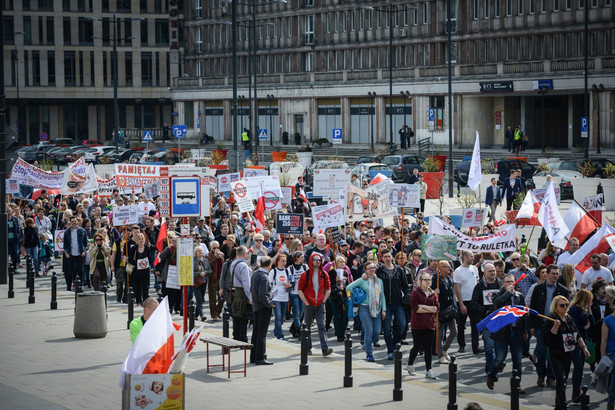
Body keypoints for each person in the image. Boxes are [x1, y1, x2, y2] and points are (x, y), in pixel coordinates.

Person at [543, 295, 590, 410]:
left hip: (568, 353)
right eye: (562, 305)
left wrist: (584, 348)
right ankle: (563, 406)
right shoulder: (552, 319)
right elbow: (548, 338)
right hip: (555, 353)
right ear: (555, 306)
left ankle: (558, 406)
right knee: (561, 379)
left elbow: (576, 333)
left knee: (562, 382)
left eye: (567, 304)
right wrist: (555, 327)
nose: (565, 307)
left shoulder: (569, 318)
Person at [529, 264, 570, 388]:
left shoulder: (563, 290)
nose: (555, 276)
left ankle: (551, 377)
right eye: (553, 273)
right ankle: (541, 375)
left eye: (557, 273)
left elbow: (566, 309)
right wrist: (532, 326)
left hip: (556, 324)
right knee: (541, 351)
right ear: (547, 274)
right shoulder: (538, 288)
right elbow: (533, 307)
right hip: (542, 324)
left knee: (553, 352)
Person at [486, 273, 528, 393]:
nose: (510, 284)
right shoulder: (497, 294)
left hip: (516, 332)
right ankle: (491, 375)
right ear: (503, 284)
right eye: (508, 282)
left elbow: (523, 314)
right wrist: (507, 293)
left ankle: (516, 385)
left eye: (512, 281)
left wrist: (524, 330)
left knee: (518, 360)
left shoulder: (519, 296)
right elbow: (496, 304)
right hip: (502, 332)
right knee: (500, 357)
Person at [346, 262, 386, 362]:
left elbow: (382, 296)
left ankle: (365, 345)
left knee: (377, 332)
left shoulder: (379, 281)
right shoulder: (362, 280)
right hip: (364, 308)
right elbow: (349, 287)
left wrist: (384, 309)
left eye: (373, 267)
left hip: (377, 308)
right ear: (365, 270)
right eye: (369, 268)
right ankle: (369, 354)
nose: (372, 269)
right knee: (369, 331)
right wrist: (359, 294)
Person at [297, 253, 333, 357]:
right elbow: (299, 290)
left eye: (319, 260)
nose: (318, 261)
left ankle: (324, 349)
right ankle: (308, 349)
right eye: (315, 259)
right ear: (311, 261)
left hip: (320, 304)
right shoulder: (305, 274)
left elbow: (328, 288)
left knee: (322, 326)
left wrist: (324, 300)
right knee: (307, 327)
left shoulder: (324, 274)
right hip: (309, 304)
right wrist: (306, 302)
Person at [376, 249, 409, 359]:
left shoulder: (399, 270)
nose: (387, 258)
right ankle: (390, 350)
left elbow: (405, 286)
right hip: (385, 304)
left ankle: (395, 344)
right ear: (382, 258)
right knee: (387, 329)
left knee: (402, 324)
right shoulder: (379, 271)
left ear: (392, 257)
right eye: (385, 257)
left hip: (398, 302)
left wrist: (406, 297)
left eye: (389, 256)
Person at [469, 262, 501, 374]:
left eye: (494, 271)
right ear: (484, 272)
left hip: (499, 320)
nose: (493, 273)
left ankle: (492, 366)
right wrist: (484, 311)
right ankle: (492, 371)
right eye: (490, 271)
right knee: (489, 347)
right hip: (486, 320)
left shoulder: (500, 284)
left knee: (498, 347)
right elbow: (473, 302)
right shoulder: (479, 286)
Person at [407, 272, 440, 379]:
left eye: (429, 280)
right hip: (418, 324)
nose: (427, 282)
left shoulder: (433, 293)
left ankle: (429, 369)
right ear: (420, 282)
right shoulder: (415, 293)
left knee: (428, 348)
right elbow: (416, 309)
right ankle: (410, 365)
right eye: (425, 280)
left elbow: (437, 308)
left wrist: (424, 306)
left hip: (429, 324)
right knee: (416, 346)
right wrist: (430, 308)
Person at [568, 289, 594, 402]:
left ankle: (577, 391)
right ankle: (575, 391)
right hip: (574, 341)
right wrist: (585, 327)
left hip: (582, 340)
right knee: (578, 366)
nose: (591, 302)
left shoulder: (585, 310)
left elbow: (592, 323)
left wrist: (590, 310)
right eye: (590, 300)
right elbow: (574, 326)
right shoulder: (574, 309)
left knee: (580, 367)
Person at [454, 250, 481, 354]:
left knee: (476, 325)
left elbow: (477, 283)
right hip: (463, 301)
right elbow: (457, 289)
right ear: (465, 257)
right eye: (471, 256)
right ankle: (461, 345)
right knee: (461, 325)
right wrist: (461, 304)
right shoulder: (458, 271)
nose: (473, 258)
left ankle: (475, 346)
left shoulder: (474, 268)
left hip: (474, 301)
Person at [250, 256, 274, 365]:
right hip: (263, 308)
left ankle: (253, 356)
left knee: (256, 332)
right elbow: (262, 295)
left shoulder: (256, 274)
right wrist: (270, 304)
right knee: (262, 333)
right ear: (269, 265)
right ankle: (260, 357)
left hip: (256, 307)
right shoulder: (264, 277)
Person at [433, 260, 457, 364]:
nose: (449, 268)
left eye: (449, 266)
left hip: (450, 308)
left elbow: (452, 293)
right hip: (440, 308)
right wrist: (434, 292)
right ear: (440, 267)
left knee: (454, 332)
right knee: (440, 333)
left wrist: (455, 307)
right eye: (446, 266)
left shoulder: (450, 279)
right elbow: (429, 290)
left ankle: (445, 349)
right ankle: (440, 356)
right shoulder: (436, 278)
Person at [327, 255, 352, 342]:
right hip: (334, 296)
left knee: (345, 314)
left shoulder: (345, 272)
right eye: (340, 262)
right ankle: (339, 334)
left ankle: (342, 331)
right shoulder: (332, 272)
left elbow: (348, 284)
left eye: (343, 262)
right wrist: (335, 280)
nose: (342, 263)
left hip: (344, 295)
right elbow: (328, 284)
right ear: (336, 263)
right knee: (336, 314)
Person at [230, 246, 253, 342]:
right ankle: (243, 339)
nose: (248, 254)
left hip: (236, 292)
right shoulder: (243, 265)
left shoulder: (233, 263)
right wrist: (250, 297)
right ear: (243, 254)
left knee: (237, 316)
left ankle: (236, 336)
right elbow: (246, 283)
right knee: (244, 317)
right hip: (243, 293)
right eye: (247, 252)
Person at [269, 253, 292, 340]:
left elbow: (291, 281)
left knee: (281, 318)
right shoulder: (273, 271)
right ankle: (280, 335)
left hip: (285, 297)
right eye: (282, 261)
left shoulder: (287, 271)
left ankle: (276, 331)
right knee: (278, 316)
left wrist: (289, 286)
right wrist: (270, 293)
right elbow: (269, 284)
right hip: (276, 298)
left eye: (285, 261)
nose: (284, 263)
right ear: (277, 261)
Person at [127, 233, 154, 305]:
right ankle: (138, 300)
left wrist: (149, 264)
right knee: (137, 286)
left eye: (142, 239)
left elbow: (150, 259)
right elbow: (130, 259)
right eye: (139, 239)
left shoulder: (147, 248)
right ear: (137, 240)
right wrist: (137, 263)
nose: (141, 240)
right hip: (136, 270)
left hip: (145, 270)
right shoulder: (134, 248)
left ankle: (145, 299)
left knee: (145, 286)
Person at [63, 216, 88, 291]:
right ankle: (68, 286)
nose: (74, 223)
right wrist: (66, 252)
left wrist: (84, 251)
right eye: (72, 221)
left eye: (75, 221)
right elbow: (65, 243)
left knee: (80, 270)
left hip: (80, 253)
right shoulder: (67, 232)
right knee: (70, 271)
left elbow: (85, 242)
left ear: (77, 221)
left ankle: (79, 286)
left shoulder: (82, 231)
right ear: (70, 222)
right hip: (71, 253)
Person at [600, 285, 615, 410]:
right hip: (612, 354)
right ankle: (611, 402)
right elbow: (604, 339)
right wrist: (602, 357)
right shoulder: (608, 320)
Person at [288, 251, 308, 338]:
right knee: (296, 313)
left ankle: (294, 328)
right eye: (301, 257)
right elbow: (289, 280)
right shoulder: (290, 268)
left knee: (301, 313)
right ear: (296, 258)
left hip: (303, 293)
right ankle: (299, 331)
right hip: (294, 293)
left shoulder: (305, 267)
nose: (303, 259)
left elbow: (308, 277)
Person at [206, 241, 225, 320]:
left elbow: (223, 265)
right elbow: (210, 266)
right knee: (212, 298)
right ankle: (213, 315)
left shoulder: (222, 254)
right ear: (211, 248)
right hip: (213, 279)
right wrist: (214, 257)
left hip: (220, 278)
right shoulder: (208, 256)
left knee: (222, 297)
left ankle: (218, 311)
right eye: (214, 248)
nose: (216, 249)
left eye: (217, 247)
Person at [193, 246, 211, 322]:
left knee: (201, 299)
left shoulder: (206, 260)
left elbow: (210, 270)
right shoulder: (193, 261)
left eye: (201, 251)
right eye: (198, 251)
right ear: (195, 253)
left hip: (204, 281)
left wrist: (205, 273)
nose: (200, 252)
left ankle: (195, 315)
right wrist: (199, 273)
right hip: (196, 282)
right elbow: (191, 272)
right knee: (199, 299)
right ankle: (202, 315)